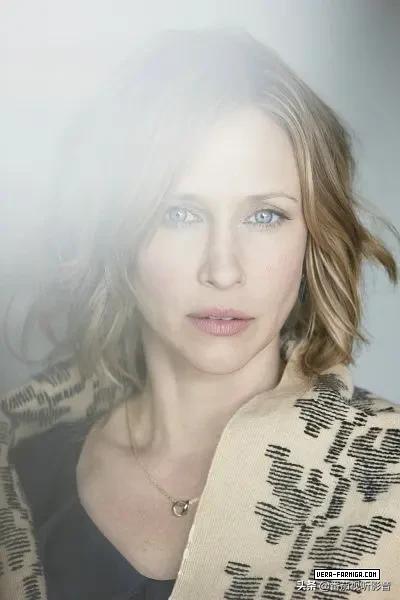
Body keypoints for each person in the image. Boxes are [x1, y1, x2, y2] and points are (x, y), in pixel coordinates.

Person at [1, 28, 399, 600]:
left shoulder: (385, 471)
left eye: (265, 216)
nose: (223, 269)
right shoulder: (20, 476)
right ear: (117, 232)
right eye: (180, 214)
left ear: (313, 235)